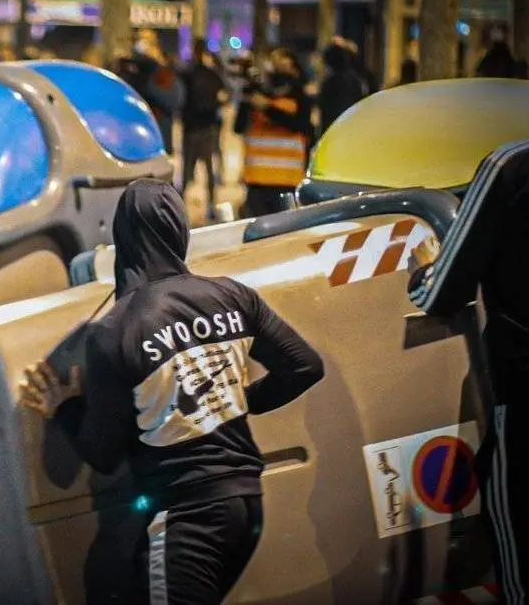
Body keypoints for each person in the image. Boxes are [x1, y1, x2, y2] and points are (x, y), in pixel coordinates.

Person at [21, 178, 325, 605]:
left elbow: (103, 455)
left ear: (123, 237)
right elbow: (304, 366)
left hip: (188, 517)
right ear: (178, 230)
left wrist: (65, 407)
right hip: (245, 503)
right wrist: (236, 403)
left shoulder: (114, 331)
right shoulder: (233, 295)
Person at [407, 142, 529, 605]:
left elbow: (443, 289)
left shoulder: (512, 167)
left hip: (524, 391)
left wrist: (420, 274)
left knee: (513, 515)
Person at [238, 48, 311, 218]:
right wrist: (246, 99)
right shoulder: (257, 94)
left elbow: (299, 125)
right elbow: (239, 127)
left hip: (286, 182)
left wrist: (268, 108)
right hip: (256, 182)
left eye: (281, 63)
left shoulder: (300, 97)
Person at [181, 38, 228, 219]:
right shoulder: (211, 75)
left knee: (188, 169)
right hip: (207, 126)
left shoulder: (187, 73)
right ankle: (211, 205)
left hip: (191, 126)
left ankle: (180, 205)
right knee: (208, 168)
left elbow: (180, 99)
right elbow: (223, 96)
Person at [317, 42, 365, 136]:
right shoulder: (356, 80)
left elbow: (326, 107)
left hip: (334, 128)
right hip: (352, 127)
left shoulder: (331, 82)